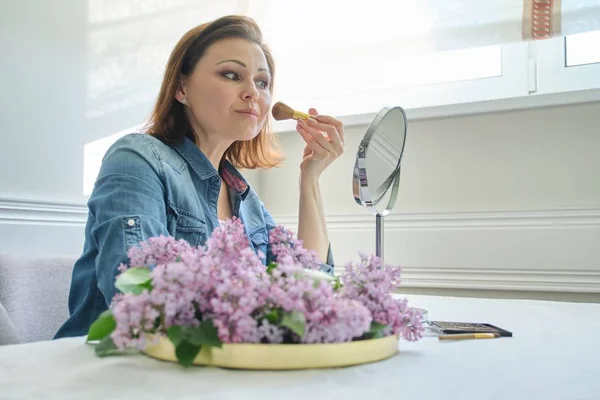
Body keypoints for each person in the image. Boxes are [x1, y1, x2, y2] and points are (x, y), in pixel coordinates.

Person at [54, 15, 345, 339]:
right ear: (182, 88)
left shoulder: (244, 198)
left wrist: (310, 178)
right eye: (232, 75)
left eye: (262, 82)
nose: (253, 92)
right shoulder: (137, 159)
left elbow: (310, 288)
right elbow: (139, 301)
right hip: (112, 375)